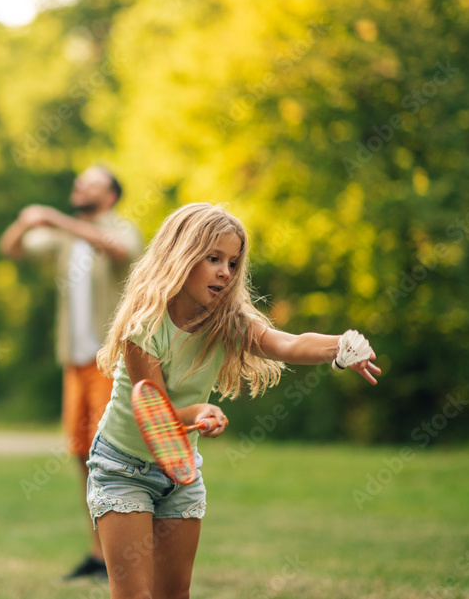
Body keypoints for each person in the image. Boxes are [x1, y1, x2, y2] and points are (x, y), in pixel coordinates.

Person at [88, 202, 381, 599]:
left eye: (232, 262)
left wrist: (341, 345)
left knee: (174, 594)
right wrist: (199, 412)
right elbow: (153, 413)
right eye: (213, 259)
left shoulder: (229, 321)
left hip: (179, 470)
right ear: (182, 255)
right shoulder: (145, 326)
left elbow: (288, 344)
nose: (225, 272)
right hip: (123, 467)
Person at [0, 166, 144, 580]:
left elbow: (119, 250)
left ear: (110, 196)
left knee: (110, 458)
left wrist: (54, 218)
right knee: (82, 455)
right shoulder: (64, 236)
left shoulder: (121, 227)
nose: (79, 187)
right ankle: (98, 555)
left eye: (90, 184)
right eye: (79, 183)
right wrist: (25, 222)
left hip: (108, 363)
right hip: (74, 363)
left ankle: (124, 558)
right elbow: (12, 248)